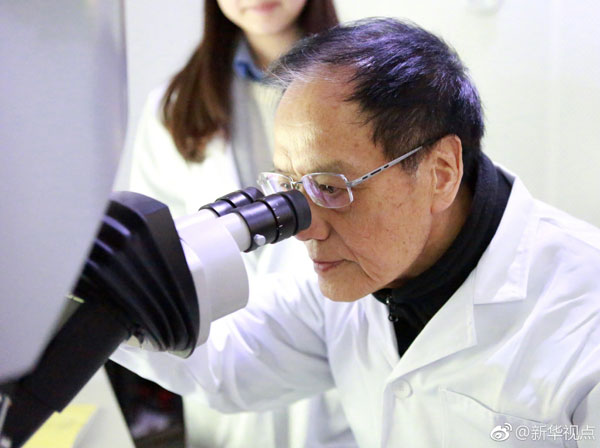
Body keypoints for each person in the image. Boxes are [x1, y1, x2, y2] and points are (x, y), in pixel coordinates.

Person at [112, 18, 600, 447]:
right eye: (289, 187)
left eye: (330, 187)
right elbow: (229, 362)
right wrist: (109, 293)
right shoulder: (350, 276)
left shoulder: (584, 318)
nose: (305, 230)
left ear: (442, 172)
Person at [114, 1, 356, 447]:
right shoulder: (175, 107)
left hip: (336, 359)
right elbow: (157, 254)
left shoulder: (362, 90)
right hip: (225, 365)